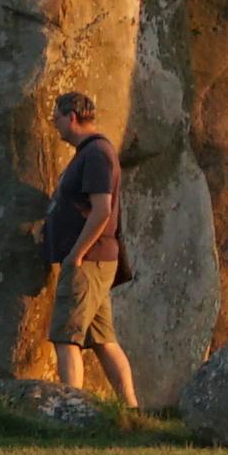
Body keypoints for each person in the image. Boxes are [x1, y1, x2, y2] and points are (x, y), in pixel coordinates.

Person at [35, 89, 135, 409]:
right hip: (93, 260)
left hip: (87, 261)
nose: (55, 125)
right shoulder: (90, 154)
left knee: (67, 337)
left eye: (57, 119)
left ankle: (72, 412)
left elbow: (102, 209)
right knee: (104, 341)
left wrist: (76, 254)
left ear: (72, 117)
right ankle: (130, 409)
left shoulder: (96, 154)